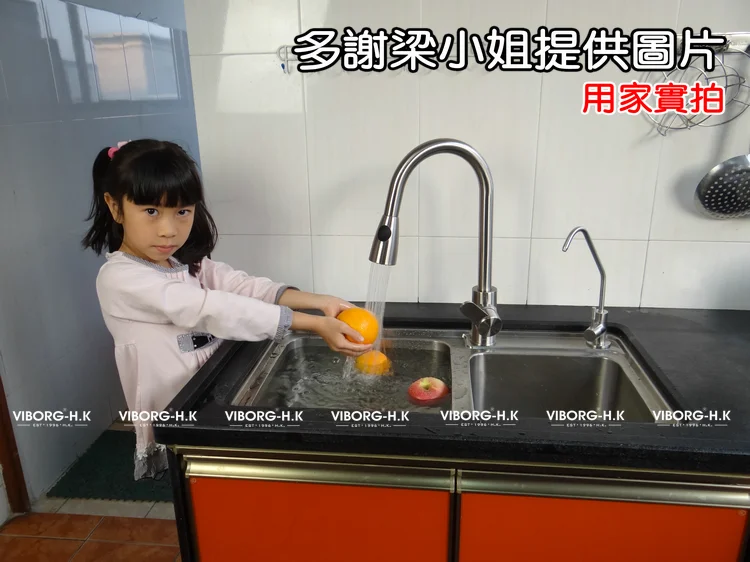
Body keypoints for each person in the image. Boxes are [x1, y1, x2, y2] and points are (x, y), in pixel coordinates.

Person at [81, 139, 373, 480]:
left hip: (210, 389)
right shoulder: (120, 278)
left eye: (182, 211)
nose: (168, 230)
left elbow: (238, 285)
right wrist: (312, 324)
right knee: (190, 485)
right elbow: (211, 308)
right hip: (177, 409)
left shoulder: (179, 261)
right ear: (115, 207)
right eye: (151, 211)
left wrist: (318, 301)